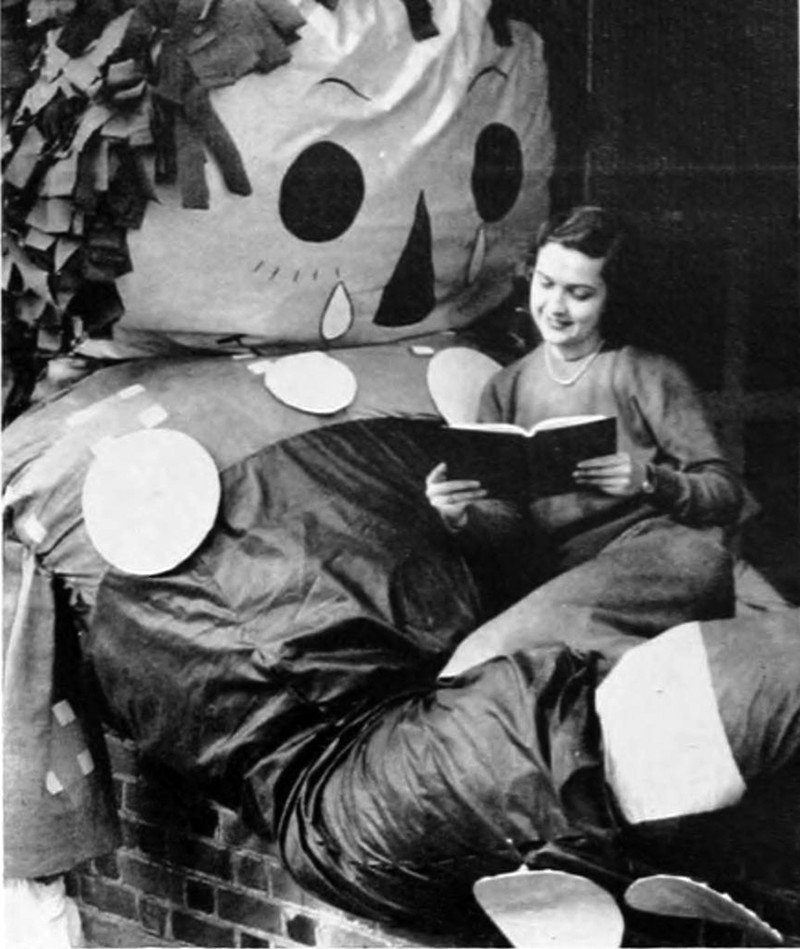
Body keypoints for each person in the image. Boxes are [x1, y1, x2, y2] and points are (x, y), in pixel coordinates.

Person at [427, 206, 744, 674]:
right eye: (545, 284)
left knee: (489, 656)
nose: (555, 307)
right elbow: (507, 528)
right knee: (505, 661)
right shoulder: (504, 387)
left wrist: (649, 480)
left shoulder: (644, 371)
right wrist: (460, 514)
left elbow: (725, 494)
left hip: (665, 560)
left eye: (579, 293)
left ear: (610, 297)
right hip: (571, 579)